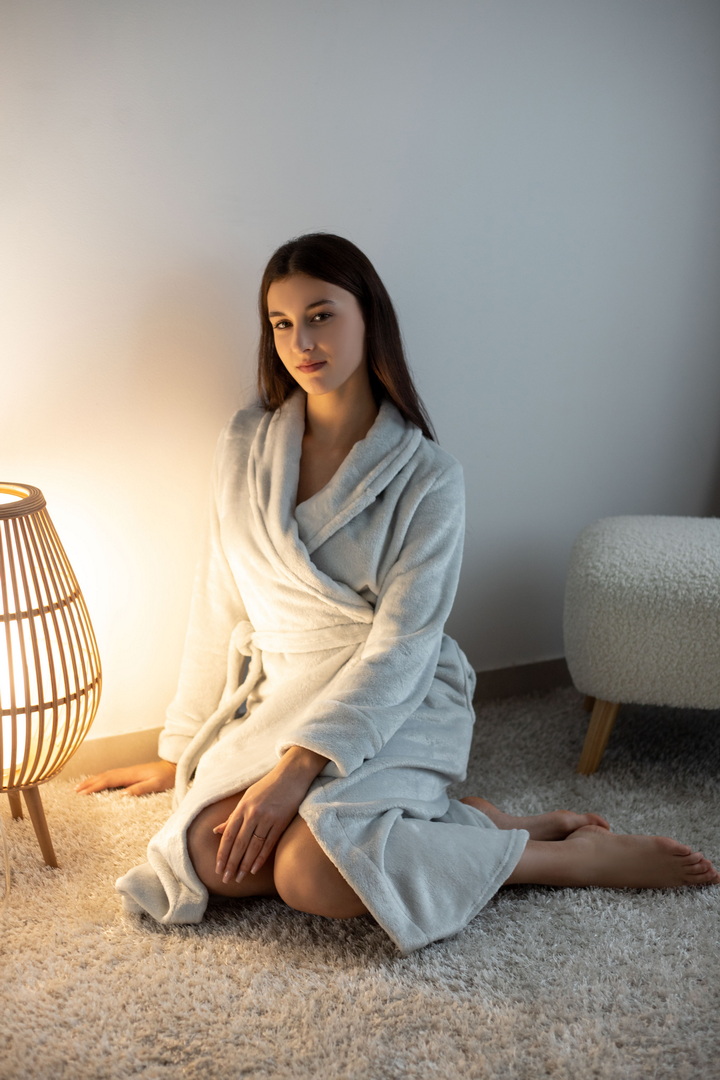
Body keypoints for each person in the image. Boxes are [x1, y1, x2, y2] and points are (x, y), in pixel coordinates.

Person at [77, 233, 718, 952]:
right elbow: (218, 598)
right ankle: (465, 822)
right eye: (282, 323)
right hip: (287, 690)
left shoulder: (430, 478)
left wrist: (297, 770)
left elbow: (405, 645)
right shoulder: (246, 445)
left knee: (310, 874)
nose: (301, 342)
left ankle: (564, 859)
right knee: (208, 856)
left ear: (369, 317)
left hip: (397, 695)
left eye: (321, 316)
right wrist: (180, 749)